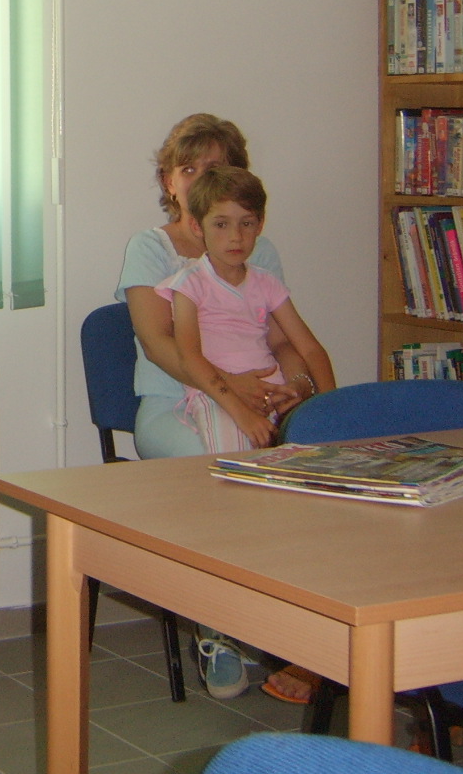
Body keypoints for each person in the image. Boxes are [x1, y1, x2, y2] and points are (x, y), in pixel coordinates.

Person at [115, 113, 321, 704]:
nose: (202, 178)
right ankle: (218, 627)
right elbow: (161, 345)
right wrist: (229, 389)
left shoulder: (258, 249)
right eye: (189, 168)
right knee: (225, 468)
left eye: (217, 167)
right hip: (173, 406)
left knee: (314, 467)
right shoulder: (150, 249)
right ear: (169, 181)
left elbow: (283, 338)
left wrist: (296, 385)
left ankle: (291, 629)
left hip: (257, 397)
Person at [157, 167, 335, 452]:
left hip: (273, 392)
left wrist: (330, 408)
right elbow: (189, 357)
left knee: (310, 458)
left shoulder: (267, 282)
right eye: (221, 224)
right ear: (197, 227)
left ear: (260, 225)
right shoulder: (189, 283)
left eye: (247, 223)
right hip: (217, 395)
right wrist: (244, 415)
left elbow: (310, 349)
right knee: (234, 461)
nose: (236, 237)